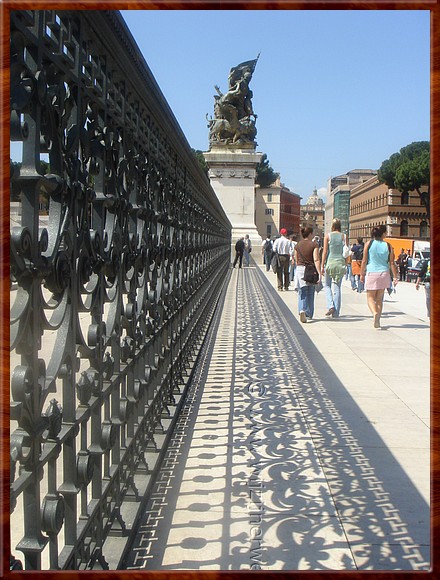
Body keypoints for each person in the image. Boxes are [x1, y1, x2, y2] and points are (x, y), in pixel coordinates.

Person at [360, 225, 398, 329]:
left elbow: (364, 260)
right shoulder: (389, 246)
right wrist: (395, 277)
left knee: (370, 297)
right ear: (383, 234)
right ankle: (378, 321)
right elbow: (392, 263)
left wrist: (361, 274)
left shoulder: (369, 244)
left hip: (372, 272)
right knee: (379, 299)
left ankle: (374, 313)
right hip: (384, 273)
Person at [320, 218, 347, 318]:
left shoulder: (328, 236)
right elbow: (346, 251)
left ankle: (330, 305)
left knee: (327, 285)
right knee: (337, 288)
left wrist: (322, 265)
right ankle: (336, 313)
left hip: (330, 262)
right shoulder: (344, 236)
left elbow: (325, 252)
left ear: (332, 226)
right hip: (340, 263)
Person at [294, 227, 321, 322]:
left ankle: (302, 309)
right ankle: (308, 313)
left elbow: (296, 259)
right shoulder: (314, 245)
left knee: (302, 291)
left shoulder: (298, 245)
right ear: (309, 234)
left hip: (300, 269)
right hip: (310, 269)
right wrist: (319, 272)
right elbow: (316, 259)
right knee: (310, 291)